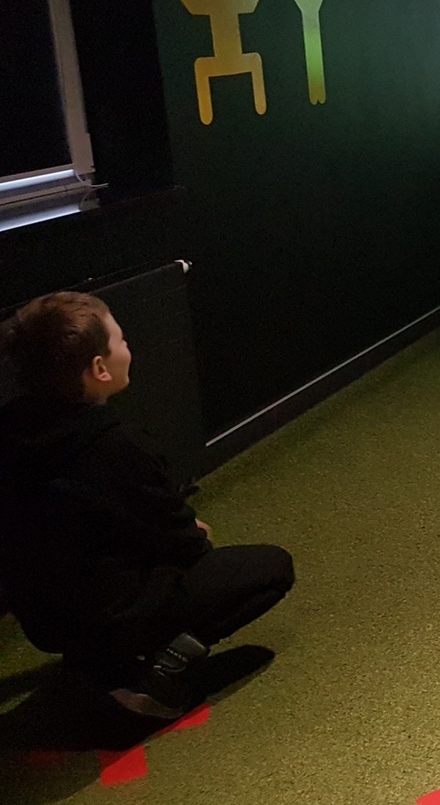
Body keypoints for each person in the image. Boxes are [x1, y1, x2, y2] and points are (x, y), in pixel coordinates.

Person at [0, 292, 295, 720]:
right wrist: (195, 532)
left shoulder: (10, 433)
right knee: (271, 568)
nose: (127, 347)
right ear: (99, 369)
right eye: (120, 340)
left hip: (47, 623)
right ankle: (148, 670)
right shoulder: (117, 447)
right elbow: (187, 544)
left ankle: (93, 657)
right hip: (114, 615)